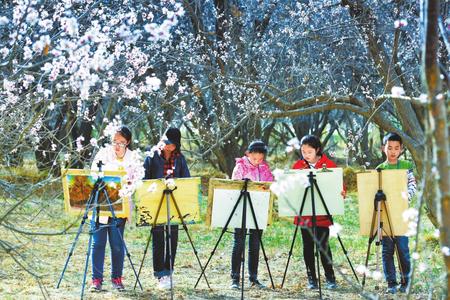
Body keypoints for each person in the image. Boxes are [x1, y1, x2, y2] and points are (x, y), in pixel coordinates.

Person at [90, 125, 144, 292]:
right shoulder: (103, 153)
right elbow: (93, 174)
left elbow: (137, 180)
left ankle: (117, 278)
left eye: (121, 142)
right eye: (114, 141)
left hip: (121, 205)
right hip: (102, 205)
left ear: (127, 142)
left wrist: (128, 185)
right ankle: (96, 280)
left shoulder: (132, 157)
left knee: (117, 244)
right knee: (98, 243)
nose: (117, 145)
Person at [292, 134, 343, 290]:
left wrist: (341, 193)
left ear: (317, 150)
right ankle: (311, 279)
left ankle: (330, 278)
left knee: (323, 246)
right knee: (308, 246)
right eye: (303, 151)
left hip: (322, 214)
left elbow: (339, 186)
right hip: (304, 214)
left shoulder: (329, 165)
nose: (305, 155)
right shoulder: (298, 166)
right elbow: (292, 187)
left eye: (309, 152)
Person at [143, 127, 190, 289]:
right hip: (156, 201)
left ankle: (169, 271)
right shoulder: (152, 156)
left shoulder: (180, 159)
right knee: (158, 238)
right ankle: (159, 274)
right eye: (165, 143)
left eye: (171, 144)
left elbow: (186, 181)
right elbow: (144, 179)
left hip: (175, 202)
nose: (167, 146)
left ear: (176, 145)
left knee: (173, 237)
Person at [230, 140, 274, 290]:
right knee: (239, 243)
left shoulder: (264, 168)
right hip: (241, 208)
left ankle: (253, 277)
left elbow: (270, 185)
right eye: (255, 158)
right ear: (248, 154)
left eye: (260, 159)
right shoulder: (240, 166)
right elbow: (234, 185)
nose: (257, 161)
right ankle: (235, 278)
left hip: (258, 209)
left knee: (255, 244)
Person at [377, 132, 416, 294]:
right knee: (387, 251)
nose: (393, 151)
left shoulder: (406, 167)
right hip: (385, 216)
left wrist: (404, 198)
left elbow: (412, 186)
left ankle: (405, 282)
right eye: (389, 148)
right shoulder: (380, 169)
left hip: (402, 215)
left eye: (396, 148)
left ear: (401, 150)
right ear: (383, 149)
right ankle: (391, 283)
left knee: (403, 250)